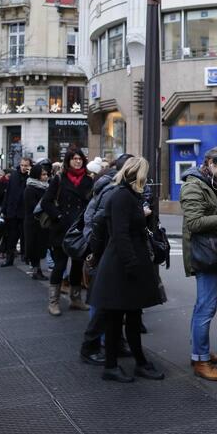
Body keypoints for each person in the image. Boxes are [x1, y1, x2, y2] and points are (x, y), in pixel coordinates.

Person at [87, 156, 165, 382]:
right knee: (118, 317)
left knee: (129, 316)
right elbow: (120, 235)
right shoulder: (122, 196)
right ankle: (115, 366)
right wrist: (132, 265)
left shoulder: (125, 194)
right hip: (122, 267)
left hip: (124, 265)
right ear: (137, 174)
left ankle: (136, 363)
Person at [180, 146, 217, 381]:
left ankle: (199, 352)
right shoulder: (194, 185)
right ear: (210, 162)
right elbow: (194, 222)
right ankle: (201, 360)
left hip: (212, 252)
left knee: (202, 306)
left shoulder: (212, 183)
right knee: (206, 307)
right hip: (205, 255)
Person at [79, 154, 132, 365]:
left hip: (108, 251)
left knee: (112, 302)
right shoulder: (114, 190)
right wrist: (97, 252)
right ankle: (91, 345)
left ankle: (112, 341)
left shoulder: (115, 187)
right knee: (104, 302)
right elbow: (99, 223)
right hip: (106, 253)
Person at [41, 149, 94, 316]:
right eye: (74, 159)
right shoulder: (59, 179)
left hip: (79, 229)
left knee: (77, 264)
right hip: (61, 229)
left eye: (80, 159)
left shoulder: (88, 180)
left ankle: (75, 299)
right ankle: (53, 302)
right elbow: (46, 202)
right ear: (68, 161)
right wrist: (58, 215)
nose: (77, 161)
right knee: (60, 265)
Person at [23, 164, 51, 280]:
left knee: (40, 247)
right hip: (33, 223)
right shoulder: (30, 189)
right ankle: (36, 270)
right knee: (34, 247)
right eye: (43, 174)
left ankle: (37, 270)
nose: (46, 176)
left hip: (41, 222)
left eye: (46, 174)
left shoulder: (45, 187)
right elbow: (33, 207)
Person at [1, 158, 31, 266]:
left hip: (25, 211)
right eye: (22, 165)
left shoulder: (31, 177)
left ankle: (26, 256)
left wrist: (30, 175)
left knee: (25, 236)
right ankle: (9, 258)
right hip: (12, 211)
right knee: (11, 237)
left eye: (26, 165)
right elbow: (8, 192)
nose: (24, 167)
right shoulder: (14, 175)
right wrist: (4, 209)